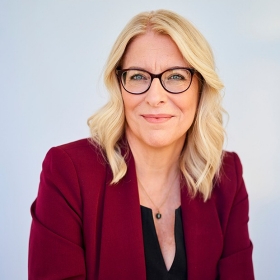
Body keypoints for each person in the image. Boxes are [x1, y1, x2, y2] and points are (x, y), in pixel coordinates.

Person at [28, 9, 254, 280]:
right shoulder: (68, 172)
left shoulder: (226, 176)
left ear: (201, 87)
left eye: (176, 76)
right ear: (119, 85)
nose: (155, 96)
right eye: (137, 76)